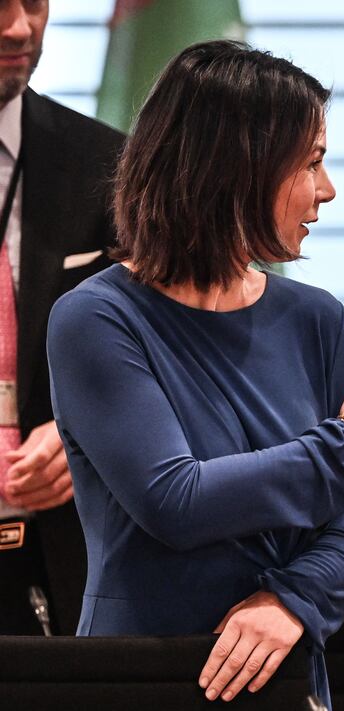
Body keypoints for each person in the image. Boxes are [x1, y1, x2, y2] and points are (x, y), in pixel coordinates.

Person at [46, 41, 344, 708]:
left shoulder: (315, 317)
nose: (328, 188)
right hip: (140, 674)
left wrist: (293, 598)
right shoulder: (94, 318)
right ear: (237, 168)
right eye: (311, 162)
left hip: (279, 673)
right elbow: (176, 499)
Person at [0, 0, 123, 635]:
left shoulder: (106, 165)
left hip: (62, 565)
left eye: (36, 3)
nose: (20, 27)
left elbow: (172, 358)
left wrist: (84, 432)